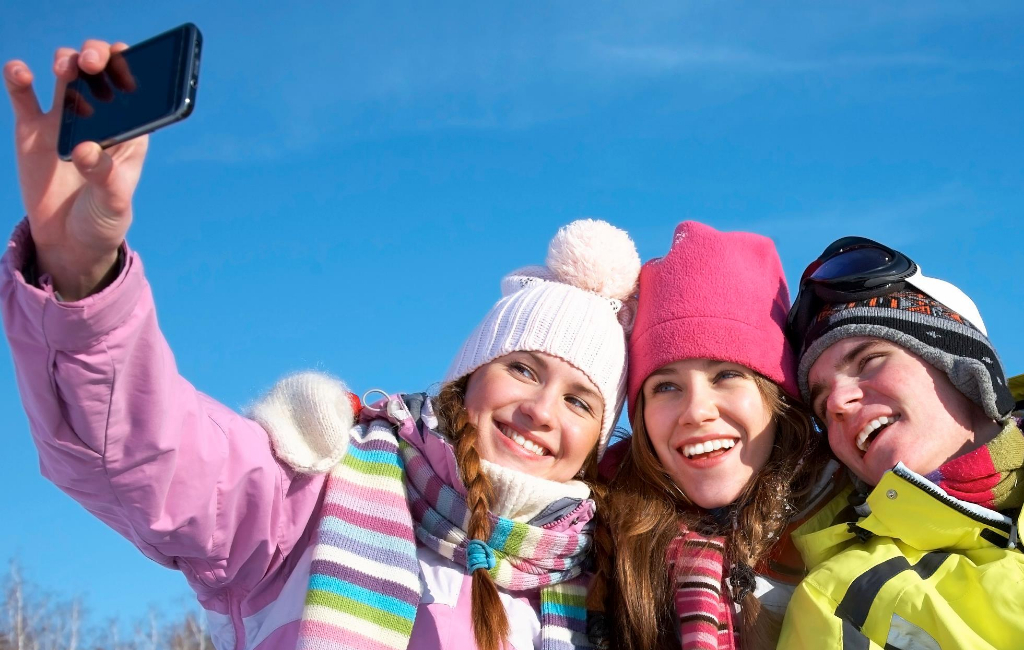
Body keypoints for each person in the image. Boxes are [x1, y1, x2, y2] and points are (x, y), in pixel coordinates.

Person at [1, 40, 642, 650]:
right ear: (466, 376)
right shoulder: (311, 488)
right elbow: (148, 454)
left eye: (582, 401)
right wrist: (82, 277)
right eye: (524, 368)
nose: (543, 409)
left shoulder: (601, 590)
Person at [597, 221, 837, 650]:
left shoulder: (857, 519)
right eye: (665, 386)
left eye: (726, 375)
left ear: (776, 396)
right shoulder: (597, 545)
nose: (696, 412)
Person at [778, 236, 1024, 649]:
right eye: (821, 404)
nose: (838, 402)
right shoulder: (842, 600)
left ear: (962, 366)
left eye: (869, 360)